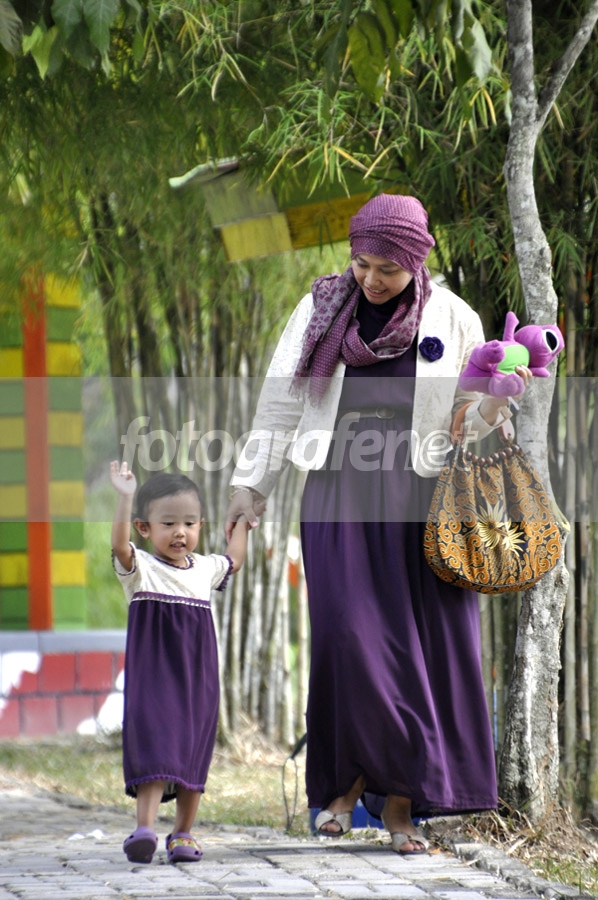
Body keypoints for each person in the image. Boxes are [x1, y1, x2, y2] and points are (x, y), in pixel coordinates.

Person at [226, 193, 532, 855]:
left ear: (415, 262)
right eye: (362, 263)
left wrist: (489, 407)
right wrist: (249, 488)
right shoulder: (319, 309)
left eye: (387, 269)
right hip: (339, 484)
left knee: (422, 646)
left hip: (424, 494)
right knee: (347, 635)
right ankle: (345, 783)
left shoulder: (452, 316)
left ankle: (400, 804)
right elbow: (279, 405)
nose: (370, 278)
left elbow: (475, 415)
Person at [110, 461, 250, 864]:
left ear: (201, 525)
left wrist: (243, 520)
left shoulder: (204, 568)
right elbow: (119, 546)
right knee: (155, 746)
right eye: (168, 523)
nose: (180, 532)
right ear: (144, 527)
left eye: (189, 523)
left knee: (193, 750)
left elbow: (234, 559)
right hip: (154, 679)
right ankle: (145, 828)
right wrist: (124, 497)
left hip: (197, 679)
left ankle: (183, 832)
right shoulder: (141, 569)